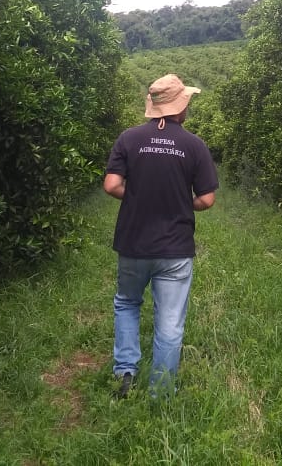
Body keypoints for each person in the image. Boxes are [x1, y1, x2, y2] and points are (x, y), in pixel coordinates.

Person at [103, 73, 218, 398]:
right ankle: (161, 391)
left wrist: (139, 197)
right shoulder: (194, 145)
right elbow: (207, 199)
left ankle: (125, 371)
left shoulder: (128, 138)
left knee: (127, 302)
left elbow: (111, 185)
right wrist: (182, 201)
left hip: (133, 242)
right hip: (175, 249)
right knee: (169, 322)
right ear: (180, 107)